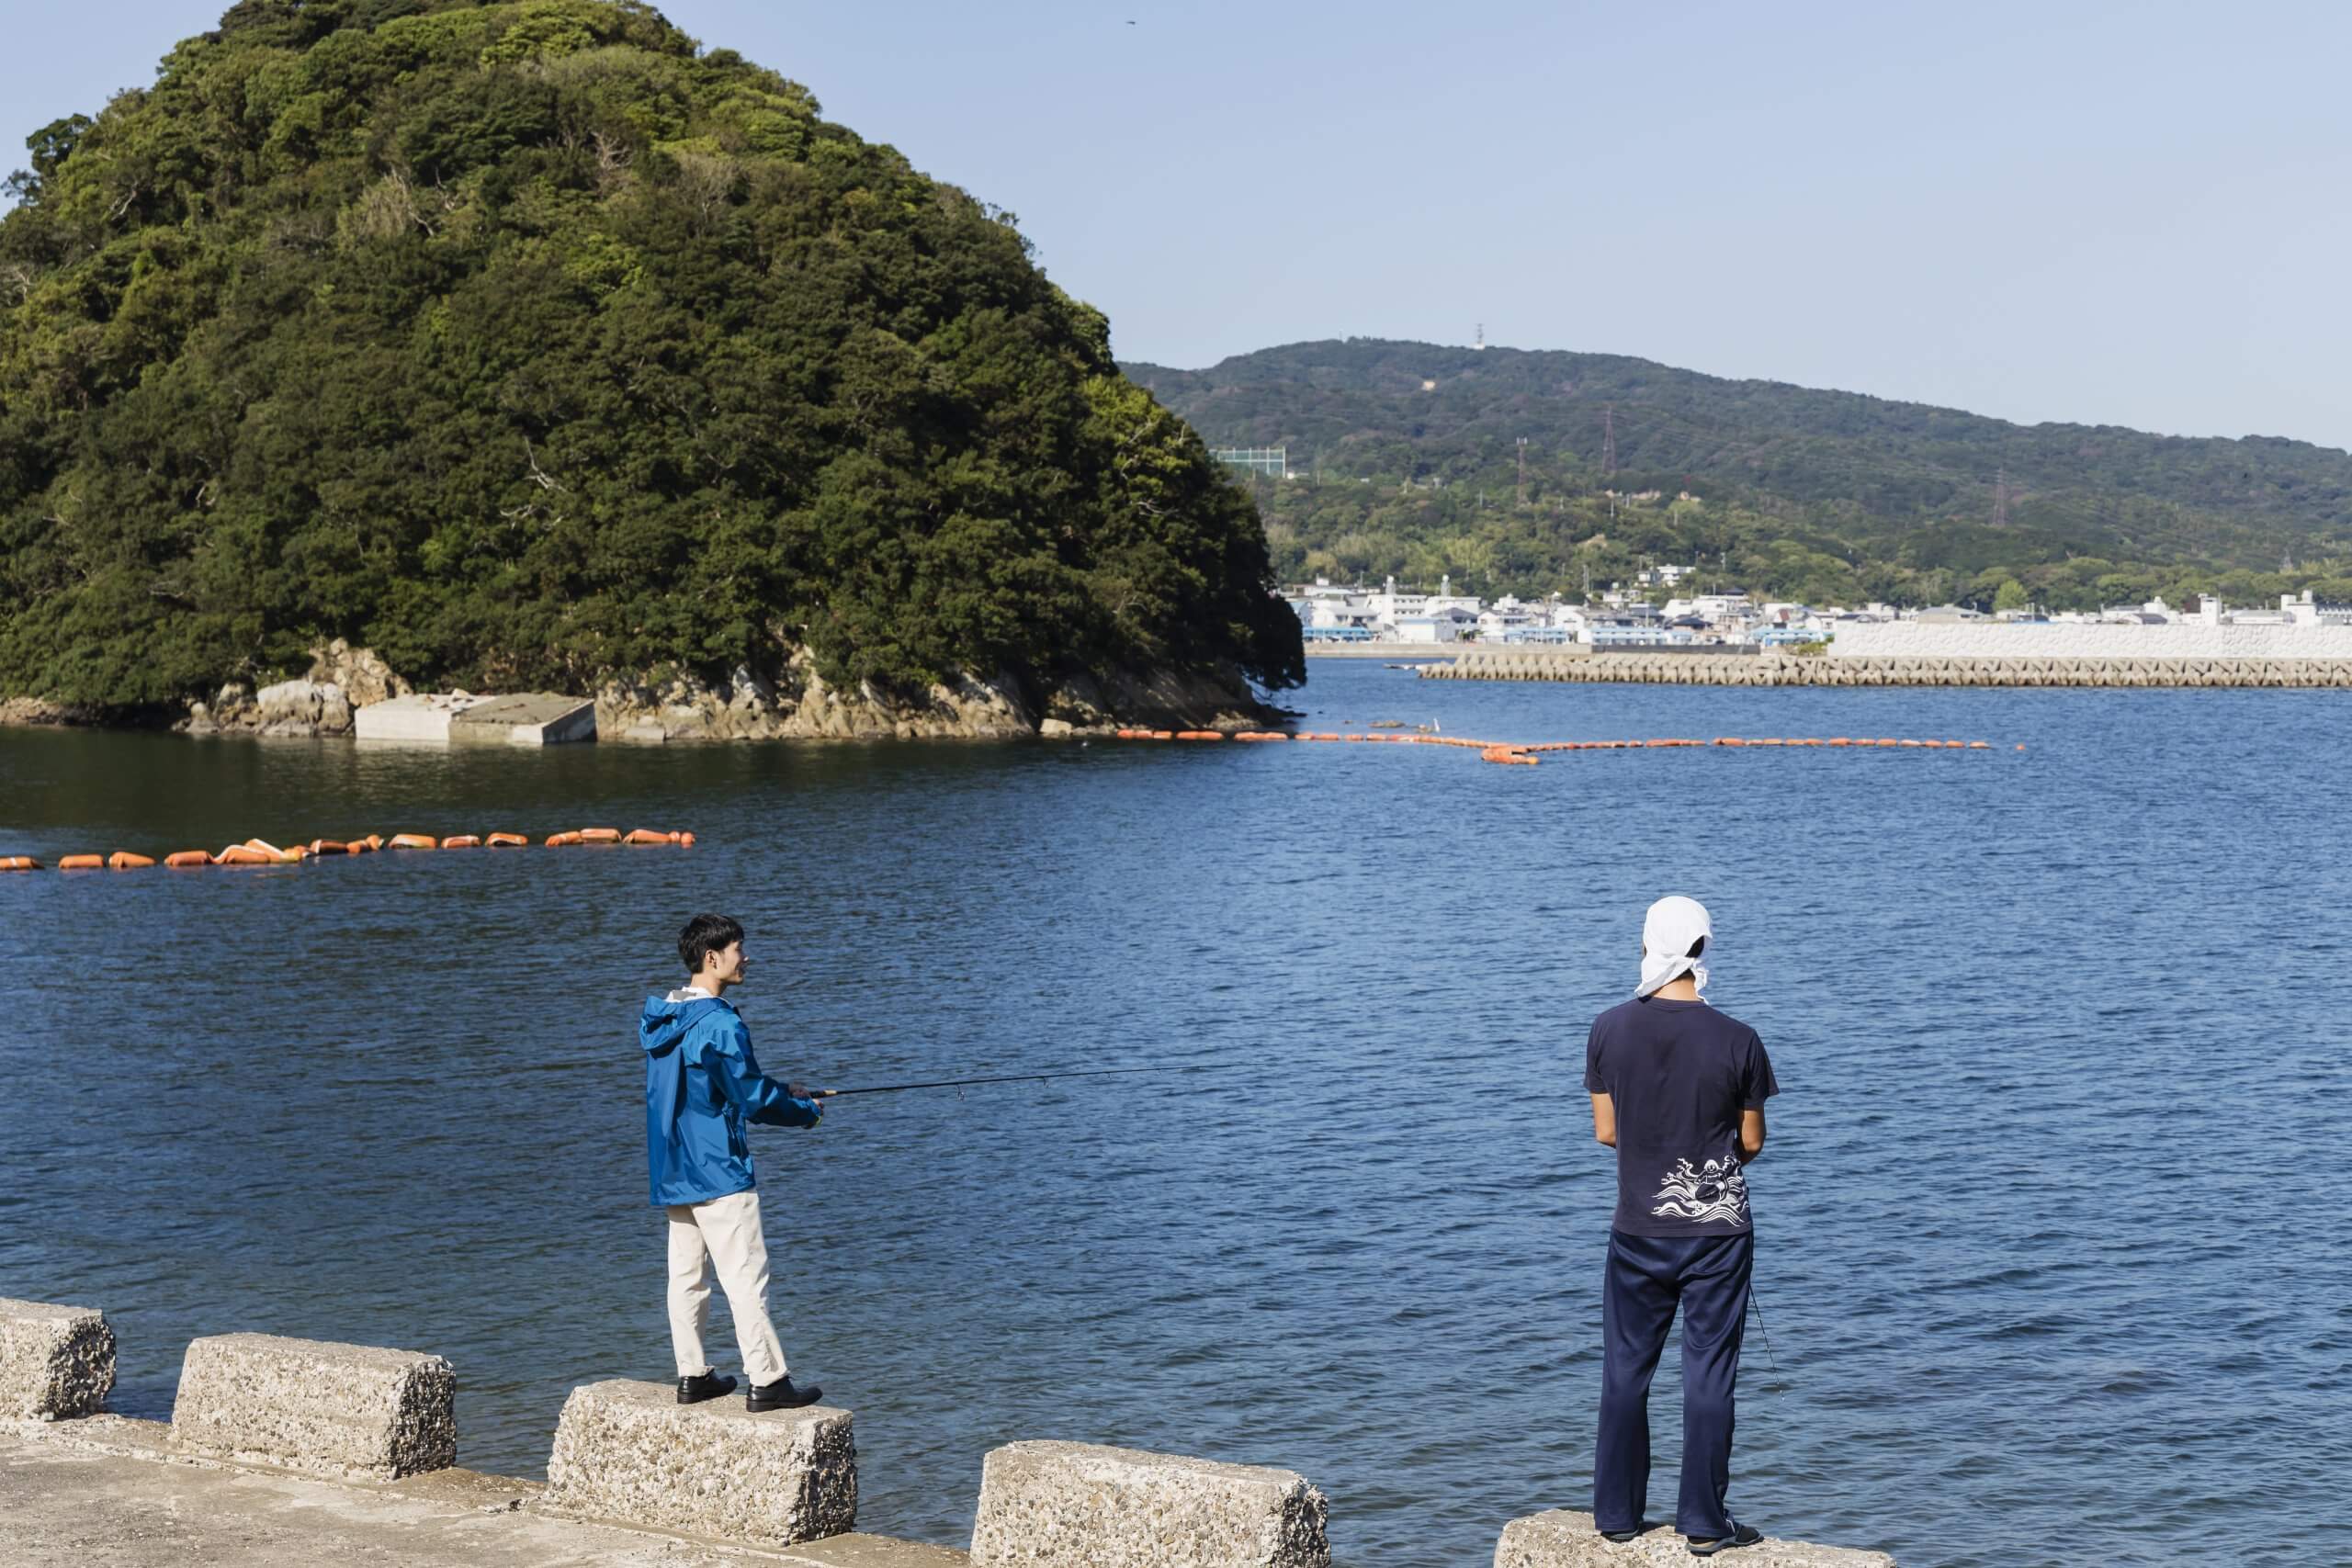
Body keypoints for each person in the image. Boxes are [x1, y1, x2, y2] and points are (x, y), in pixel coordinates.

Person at [1584, 895, 1779, 1557]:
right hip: (1719, 1234)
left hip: (1637, 1227)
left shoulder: (1607, 1028)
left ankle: (1614, 1513)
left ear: (1646, 943)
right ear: (1703, 947)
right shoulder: (1740, 1039)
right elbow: (1751, 1141)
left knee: (1624, 1371)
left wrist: (1654, 1148)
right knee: (1709, 1374)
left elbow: (1607, 1131)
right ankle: (1703, 1521)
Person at [641, 912, 828, 1412]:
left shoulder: (665, 1019)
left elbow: (711, 1090)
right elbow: (751, 1099)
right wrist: (805, 1112)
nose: (747, 957)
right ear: (712, 957)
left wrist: (779, 1087)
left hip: (675, 1168)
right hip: (719, 1169)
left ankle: (693, 1374)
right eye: (739, 949)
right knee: (745, 1276)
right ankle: (767, 1381)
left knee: (685, 1277)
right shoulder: (720, 1023)